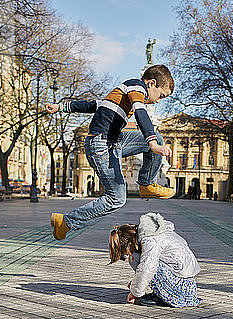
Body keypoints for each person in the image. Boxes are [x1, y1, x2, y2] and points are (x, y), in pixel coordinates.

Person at [45, 65, 175, 241]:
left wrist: (60, 107)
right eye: (161, 95)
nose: (159, 101)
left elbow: (92, 105)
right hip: (101, 145)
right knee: (116, 198)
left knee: (159, 138)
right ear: (151, 83)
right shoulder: (137, 88)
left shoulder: (120, 95)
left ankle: (146, 185)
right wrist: (151, 144)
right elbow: (140, 113)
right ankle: (66, 222)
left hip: (113, 141)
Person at [109, 213, 203, 308]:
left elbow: (147, 269)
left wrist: (135, 293)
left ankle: (163, 297)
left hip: (181, 292)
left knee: (138, 260)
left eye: (126, 252)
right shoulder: (154, 232)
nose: (127, 255)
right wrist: (136, 283)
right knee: (142, 262)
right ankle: (161, 293)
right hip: (187, 288)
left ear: (128, 243)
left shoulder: (151, 240)